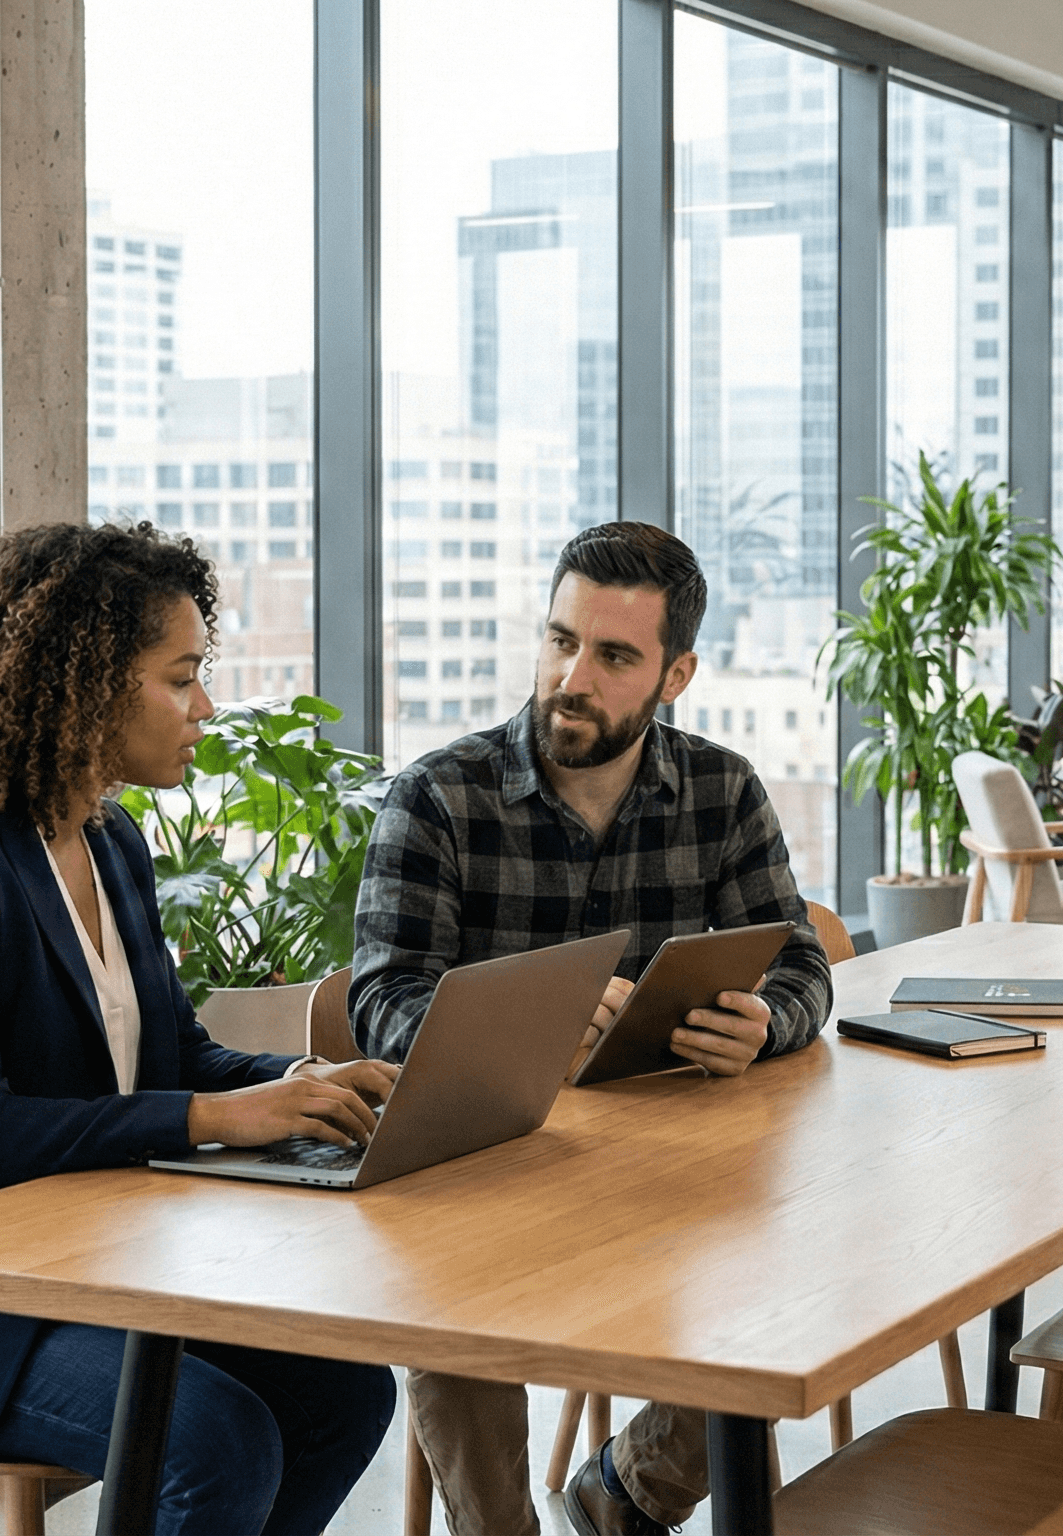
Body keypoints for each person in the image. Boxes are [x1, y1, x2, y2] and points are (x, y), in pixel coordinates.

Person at [0, 523, 399, 1536]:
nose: (206, 710)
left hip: (59, 1265)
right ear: (86, 684)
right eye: (179, 680)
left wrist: (314, 1080)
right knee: (211, 1442)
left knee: (345, 1392)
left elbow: (174, 1060)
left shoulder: (108, 835)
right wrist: (219, 1117)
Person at [351, 519, 834, 1536]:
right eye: (560, 640)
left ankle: (613, 1502)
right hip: (484, 1180)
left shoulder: (721, 790)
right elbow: (381, 999)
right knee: (448, 1307)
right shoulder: (438, 798)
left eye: (613, 656)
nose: (573, 674)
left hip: (669, 1181)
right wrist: (519, 1041)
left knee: (796, 1298)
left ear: (674, 674)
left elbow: (798, 960)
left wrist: (767, 1020)